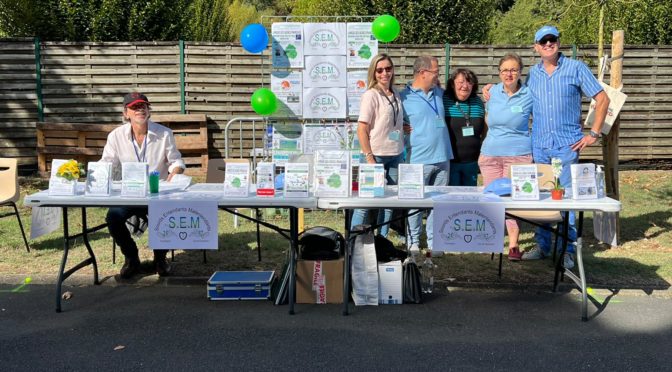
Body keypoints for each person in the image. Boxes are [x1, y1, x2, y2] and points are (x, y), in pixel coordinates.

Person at [483, 26, 609, 269]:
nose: (548, 44)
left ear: (558, 42)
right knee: (539, 198)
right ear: (536, 47)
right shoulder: (532, 75)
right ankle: (542, 246)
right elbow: (510, 86)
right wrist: (490, 87)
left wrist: (594, 133)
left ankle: (567, 250)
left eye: (552, 40)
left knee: (565, 200)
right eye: (543, 41)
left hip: (565, 146)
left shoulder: (576, 68)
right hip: (539, 146)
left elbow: (602, 98)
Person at [102, 92, 185, 278]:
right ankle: (131, 257)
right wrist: (94, 176)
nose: (140, 110)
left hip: (158, 193)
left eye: (143, 106)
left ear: (149, 111)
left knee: (163, 213)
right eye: (135, 107)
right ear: (126, 113)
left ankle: (160, 259)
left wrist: (173, 174)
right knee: (113, 216)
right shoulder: (115, 136)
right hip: (130, 193)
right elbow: (106, 163)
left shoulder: (164, 133)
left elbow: (176, 162)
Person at [478, 53, 533, 261]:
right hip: (490, 155)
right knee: (492, 199)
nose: (509, 74)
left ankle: (513, 245)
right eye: (505, 70)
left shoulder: (529, 94)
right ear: (499, 73)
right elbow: (487, 120)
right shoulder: (492, 93)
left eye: (513, 70)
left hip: (518, 156)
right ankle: (490, 240)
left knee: (512, 200)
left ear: (520, 72)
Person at [400, 55, 452, 253]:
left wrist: (487, 88)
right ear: (423, 73)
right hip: (416, 159)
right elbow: (390, 124)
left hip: (443, 156)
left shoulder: (439, 93)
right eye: (435, 71)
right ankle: (413, 241)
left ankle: (434, 241)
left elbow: (464, 89)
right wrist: (400, 129)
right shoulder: (403, 97)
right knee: (414, 203)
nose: (438, 75)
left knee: (438, 203)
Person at [351, 53, 405, 237]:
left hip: (396, 155)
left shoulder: (396, 93)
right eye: (379, 70)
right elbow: (362, 129)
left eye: (388, 69)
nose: (384, 73)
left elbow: (389, 121)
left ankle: (382, 242)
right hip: (375, 155)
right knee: (364, 205)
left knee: (389, 204)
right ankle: (353, 241)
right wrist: (369, 157)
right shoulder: (371, 95)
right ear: (373, 73)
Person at [443, 68, 486, 186]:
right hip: (450, 162)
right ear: (452, 84)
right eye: (460, 82)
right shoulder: (444, 100)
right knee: (452, 199)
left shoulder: (478, 102)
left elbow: (485, 128)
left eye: (469, 82)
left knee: (470, 199)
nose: (465, 86)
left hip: (472, 162)